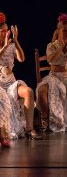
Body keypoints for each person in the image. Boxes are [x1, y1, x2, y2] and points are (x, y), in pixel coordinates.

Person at [0, 11, 42, 140]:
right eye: (2, 31)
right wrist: (5, 46)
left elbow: (22, 58)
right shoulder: (5, 45)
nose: (6, 33)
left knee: (28, 91)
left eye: (7, 30)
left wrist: (16, 41)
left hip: (11, 82)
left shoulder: (11, 45)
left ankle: (30, 129)